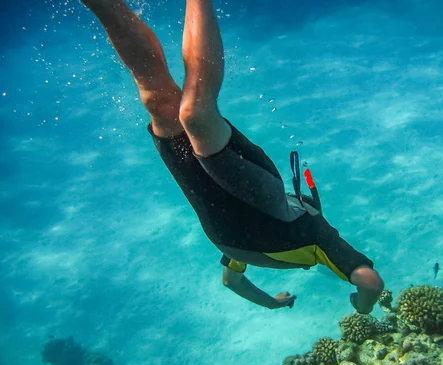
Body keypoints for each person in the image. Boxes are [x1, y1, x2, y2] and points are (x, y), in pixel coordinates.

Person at [80, 0, 384, 313]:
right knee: (177, 107)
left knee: (172, 105)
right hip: (229, 228)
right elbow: (369, 283)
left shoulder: (312, 237)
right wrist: (361, 308)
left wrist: (273, 303)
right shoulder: (318, 237)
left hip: (232, 225)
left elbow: (233, 281)